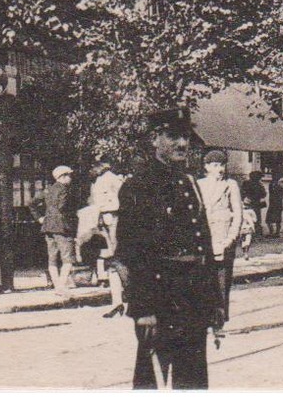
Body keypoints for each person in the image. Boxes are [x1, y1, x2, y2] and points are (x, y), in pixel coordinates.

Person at [116, 109, 219, 389]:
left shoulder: (189, 183)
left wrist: (214, 304)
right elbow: (129, 252)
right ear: (154, 139)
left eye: (185, 136)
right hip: (160, 297)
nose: (182, 144)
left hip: (194, 297)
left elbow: (203, 245)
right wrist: (143, 308)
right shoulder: (139, 185)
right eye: (172, 136)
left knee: (194, 379)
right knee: (151, 381)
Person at [197, 149, 243, 340]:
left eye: (222, 165)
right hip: (203, 241)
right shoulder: (198, 185)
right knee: (203, 282)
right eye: (215, 165)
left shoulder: (230, 185)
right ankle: (204, 321)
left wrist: (230, 239)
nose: (219, 169)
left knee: (222, 282)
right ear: (206, 167)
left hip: (223, 239)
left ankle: (218, 323)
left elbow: (238, 214)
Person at [31, 165, 78, 293]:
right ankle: (61, 286)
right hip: (62, 227)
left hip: (47, 227)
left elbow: (32, 203)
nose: (70, 178)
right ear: (62, 177)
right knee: (67, 257)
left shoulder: (48, 190)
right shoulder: (64, 190)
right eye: (68, 175)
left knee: (52, 257)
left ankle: (57, 285)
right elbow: (63, 207)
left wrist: (40, 218)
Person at [89, 161, 127, 316]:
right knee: (113, 261)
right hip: (105, 220)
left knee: (118, 260)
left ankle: (125, 299)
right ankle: (117, 301)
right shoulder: (99, 181)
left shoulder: (111, 178)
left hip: (114, 219)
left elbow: (124, 198)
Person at [242, 170, 267, 237]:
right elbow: (263, 194)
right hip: (255, 204)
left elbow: (243, 192)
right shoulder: (259, 184)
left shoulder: (246, 183)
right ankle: (256, 234)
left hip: (249, 203)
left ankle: (250, 234)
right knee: (256, 218)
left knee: (249, 219)